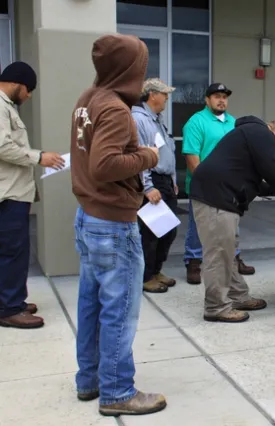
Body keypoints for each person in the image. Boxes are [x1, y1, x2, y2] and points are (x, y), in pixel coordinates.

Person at [70, 34, 166, 416]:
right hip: (112, 222)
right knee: (120, 307)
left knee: (91, 303)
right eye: (140, 68)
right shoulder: (114, 108)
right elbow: (105, 165)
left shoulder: (87, 99)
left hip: (89, 216)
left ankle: (90, 379)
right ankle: (117, 391)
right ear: (128, 68)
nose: (142, 78)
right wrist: (147, 155)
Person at [190, 117, 275, 323]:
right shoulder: (261, 134)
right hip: (216, 198)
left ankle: (237, 296)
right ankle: (216, 307)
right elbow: (271, 170)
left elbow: (257, 183)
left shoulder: (251, 136)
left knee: (228, 251)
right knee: (219, 254)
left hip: (219, 196)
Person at [0, 61, 65, 329]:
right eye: (30, 90)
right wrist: (39, 157)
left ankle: (12, 299)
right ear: (20, 84)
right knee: (13, 251)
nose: (29, 96)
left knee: (12, 250)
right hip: (9, 193)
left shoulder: (7, 106)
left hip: (15, 191)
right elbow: (2, 146)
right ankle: (9, 308)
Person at [182, 83, 255, 284]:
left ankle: (234, 258)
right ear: (207, 100)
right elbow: (191, 156)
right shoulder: (196, 122)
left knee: (232, 225)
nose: (221, 100)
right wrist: (202, 182)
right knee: (198, 226)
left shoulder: (234, 123)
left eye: (224, 96)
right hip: (203, 186)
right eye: (216, 96)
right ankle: (194, 262)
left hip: (229, 187)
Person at [132, 78, 179, 294]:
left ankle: (156, 270)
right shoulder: (139, 120)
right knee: (151, 233)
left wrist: (173, 180)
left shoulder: (158, 120)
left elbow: (167, 150)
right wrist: (148, 187)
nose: (167, 98)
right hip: (153, 182)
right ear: (152, 95)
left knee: (168, 231)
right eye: (164, 94)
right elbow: (140, 156)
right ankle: (146, 276)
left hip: (166, 182)